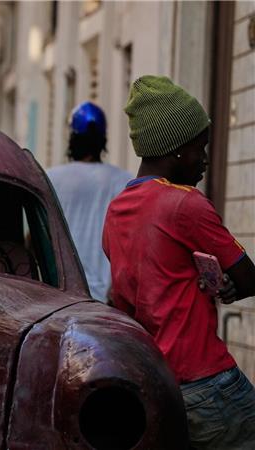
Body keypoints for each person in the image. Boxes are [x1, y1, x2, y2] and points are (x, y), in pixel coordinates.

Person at [103, 75, 255, 448]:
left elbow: (134, 290)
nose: (204, 159)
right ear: (173, 149)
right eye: (198, 148)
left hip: (155, 384)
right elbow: (249, 278)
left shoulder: (117, 210)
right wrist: (234, 285)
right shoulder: (185, 203)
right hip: (209, 386)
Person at [46, 101, 132, 301]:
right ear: (103, 140)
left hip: (57, 295)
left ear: (72, 139)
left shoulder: (50, 178)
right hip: (104, 300)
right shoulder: (123, 181)